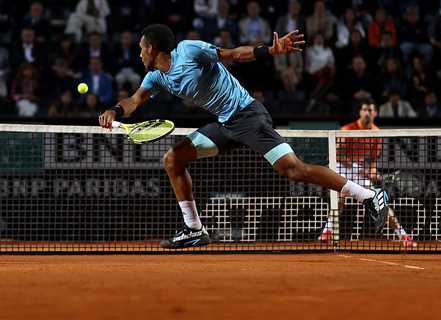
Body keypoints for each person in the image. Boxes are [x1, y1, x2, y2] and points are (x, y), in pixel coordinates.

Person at [98, 24, 389, 249]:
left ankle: (369, 195)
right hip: (224, 124)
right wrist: (114, 110)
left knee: (292, 169)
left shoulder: (188, 50)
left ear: (153, 47)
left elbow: (233, 54)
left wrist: (270, 51)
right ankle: (194, 230)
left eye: (141, 48)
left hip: (248, 115)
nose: (138, 53)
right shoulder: (155, 77)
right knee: (174, 159)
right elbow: (134, 100)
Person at [318, 100, 417, 247]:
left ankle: (403, 236)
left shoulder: (376, 133)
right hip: (341, 167)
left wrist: (372, 171)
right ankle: (327, 231)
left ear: (375, 113)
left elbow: (373, 160)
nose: (367, 113)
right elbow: (336, 155)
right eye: (364, 110)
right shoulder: (347, 130)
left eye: (370, 110)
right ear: (360, 112)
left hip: (358, 170)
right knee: (339, 199)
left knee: (379, 202)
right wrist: (355, 167)